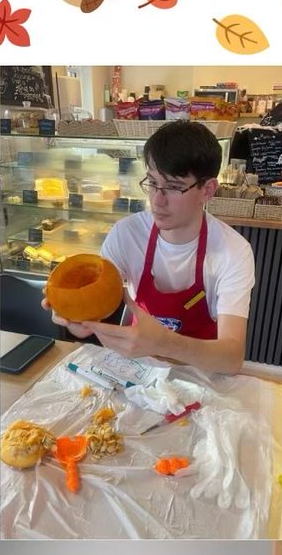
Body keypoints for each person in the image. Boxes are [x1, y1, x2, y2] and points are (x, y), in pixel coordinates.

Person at [46, 122, 255, 376]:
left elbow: (231, 360)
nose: (157, 199)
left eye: (173, 187)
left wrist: (165, 343)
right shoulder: (126, 234)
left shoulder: (233, 251)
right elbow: (95, 308)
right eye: (153, 182)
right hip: (135, 371)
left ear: (208, 190)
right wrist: (77, 320)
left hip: (201, 378)